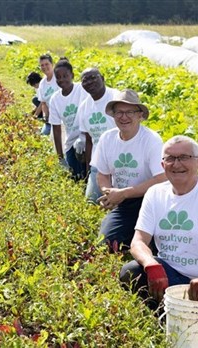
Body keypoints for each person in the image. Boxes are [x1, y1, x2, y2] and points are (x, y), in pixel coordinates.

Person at [120, 135, 198, 308]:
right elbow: (139, 241)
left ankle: (172, 314)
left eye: (184, 157)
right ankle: (163, 313)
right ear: (162, 165)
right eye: (170, 158)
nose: (177, 164)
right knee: (131, 271)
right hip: (171, 276)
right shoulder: (155, 193)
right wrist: (150, 264)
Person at [90, 89, 167, 252]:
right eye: (119, 112)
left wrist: (124, 193)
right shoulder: (107, 138)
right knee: (105, 245)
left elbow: (162, 179)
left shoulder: (151, 140)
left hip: (151, 202)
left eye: (130, 112)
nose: (124, 117)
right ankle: (130, 235)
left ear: (140, 115)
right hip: (123, 205)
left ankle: (141, 237)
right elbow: (102, 174)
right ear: (113, 115)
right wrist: (108, 192)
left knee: (157, 250)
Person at [78, 68, 119, 202]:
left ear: (102, 77)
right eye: (85, 80)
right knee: (91, 203)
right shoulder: (84, 107)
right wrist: (89, 169)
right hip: (99, 162)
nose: (89, 82)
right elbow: (89, 140)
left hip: (121, 160)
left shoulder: (116, 98)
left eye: (93, 77)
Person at [48, 58, 89, 181]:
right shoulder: (55, 99)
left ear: (72, 75)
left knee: (89, 172)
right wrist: (60, 158)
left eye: (65, 76)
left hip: (88, 138)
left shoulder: (82, 89)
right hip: (71, 141)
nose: (62, 80)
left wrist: (84, 137)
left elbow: (90, 112)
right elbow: (56, 129)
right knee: (76, 177)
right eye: (58, 77)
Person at [37, 54, 60, 135]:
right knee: (43, 134)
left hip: (62, 115)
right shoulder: (42, 84)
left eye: (47, 64)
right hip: (51, 118)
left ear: (52, 64)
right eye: (42, 65)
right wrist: (46, 117)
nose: (44, 67)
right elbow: (43, 103)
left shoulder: (59, 77)